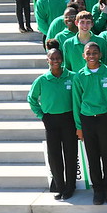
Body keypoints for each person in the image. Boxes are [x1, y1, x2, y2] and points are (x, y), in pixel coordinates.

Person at [72, 42, 107, 205]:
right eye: (88, 53)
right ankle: (98, 190)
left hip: (105, 118)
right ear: (84, 56)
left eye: (95, 52)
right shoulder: (79, 76)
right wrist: (79, 126)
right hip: (87, 119)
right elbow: (76, 102)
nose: (92, 56)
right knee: (92, 155)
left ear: (100, 55)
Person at [27, 40, 77, 200]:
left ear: (62, 60)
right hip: (51, 120)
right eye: (52, 58)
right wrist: (41, 115)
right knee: (54, 155)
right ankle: (59, 186)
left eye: (58, 58)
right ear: (47, 60)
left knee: (70, 153)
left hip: (68, 119)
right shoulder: (42, 80)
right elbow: (32, 99)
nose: (55, 61)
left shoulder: (72, 77)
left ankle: (70, 186)